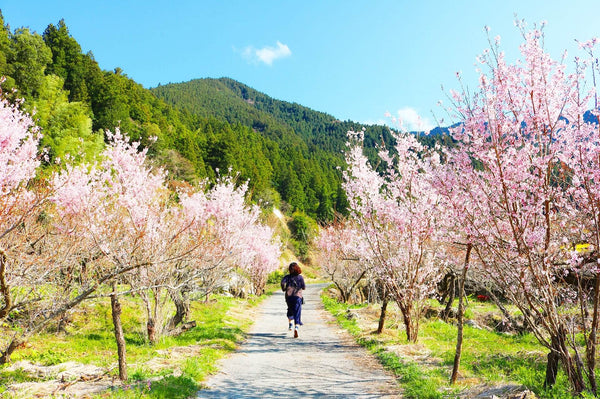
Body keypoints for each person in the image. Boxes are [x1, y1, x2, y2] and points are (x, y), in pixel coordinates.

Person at [280, 262, 305, 338]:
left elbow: (282, 283)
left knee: (290, 309)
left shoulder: (287, 277)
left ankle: (290, 324)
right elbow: (303, 287)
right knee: (297, 311)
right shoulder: (300, 277)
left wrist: (284, 289)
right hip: (297, 297)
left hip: (289, 296)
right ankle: (296, 327)